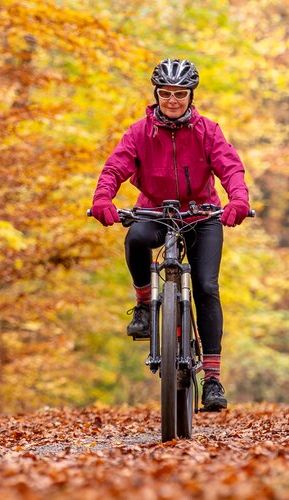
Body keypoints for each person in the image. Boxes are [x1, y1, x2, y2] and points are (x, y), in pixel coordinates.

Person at [89, 58, 251, 412]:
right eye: (166, 93)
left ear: (191, 96)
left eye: (180, 94)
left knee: (207, 287)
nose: (173, 100)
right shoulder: (138, 132)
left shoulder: (208, 131)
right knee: (134, 238)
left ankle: (212, 380)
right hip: (154, 210)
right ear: (156, 94)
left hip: (203, 214)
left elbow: (230, 167)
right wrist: (103, 197)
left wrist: (238, 199)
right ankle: (146, 305)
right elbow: (116, 166)